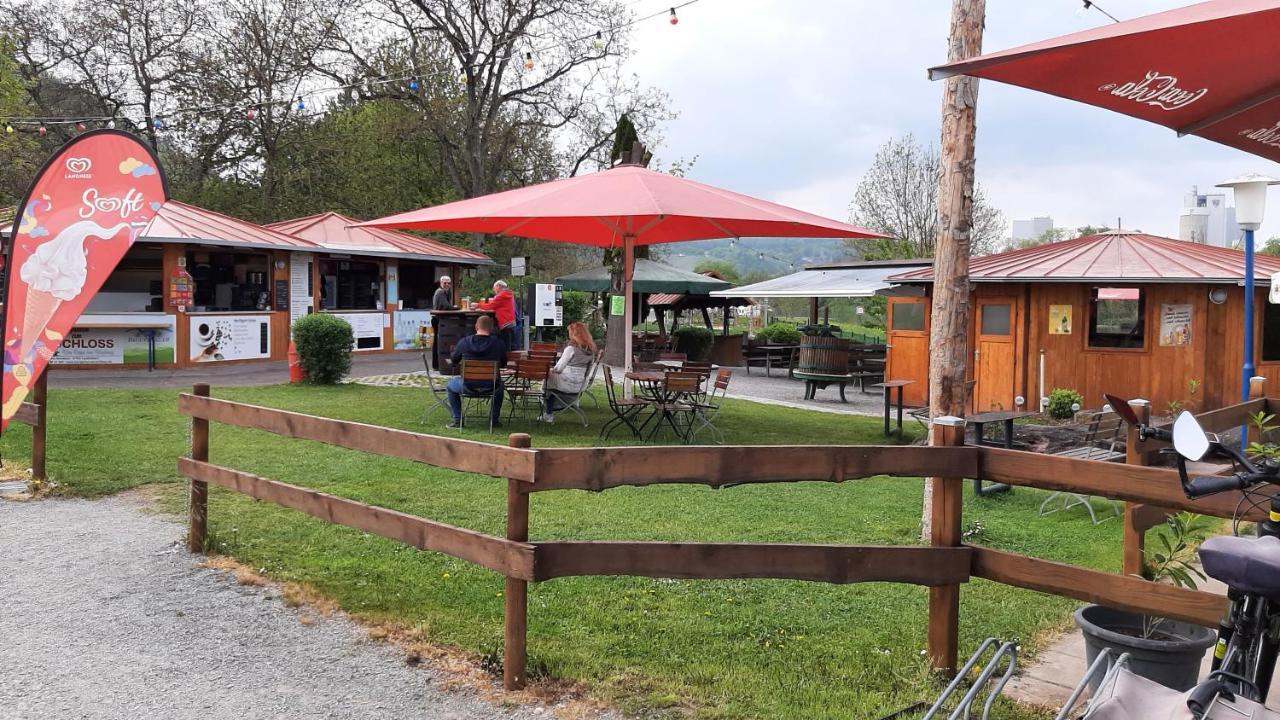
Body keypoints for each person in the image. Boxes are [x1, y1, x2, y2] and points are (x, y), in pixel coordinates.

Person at [446, 315, 507, 428]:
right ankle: (494, 420)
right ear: (491, 328)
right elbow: (503, 364)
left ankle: (457, 420)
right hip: (491, 386)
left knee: (450, 385)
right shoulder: (499, 344)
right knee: (500, 387)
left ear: (476, 327)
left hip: (467, 386)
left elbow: (454, 359)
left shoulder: (464, 342)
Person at [542, 322, 597, 423]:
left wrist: (551, 370)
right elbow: (587, 372)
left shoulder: (571, 349)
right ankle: (561, 405)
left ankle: (548, 413)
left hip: (566, 384)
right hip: (580, 386)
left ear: (574, 334)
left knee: (549, 377)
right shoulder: (591, 351)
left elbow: (558, 368)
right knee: (552, 380)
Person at [474, 279, 517, 350]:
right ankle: (505, 358)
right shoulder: (507, 294)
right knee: (506, 344)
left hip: (505, 323)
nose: (494, 290)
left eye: (494, 288)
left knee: (505, 346)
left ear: (499, 286)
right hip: (509, 322)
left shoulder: (502, 295)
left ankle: (504, 359)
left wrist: (478, 305)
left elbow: (491, 306)